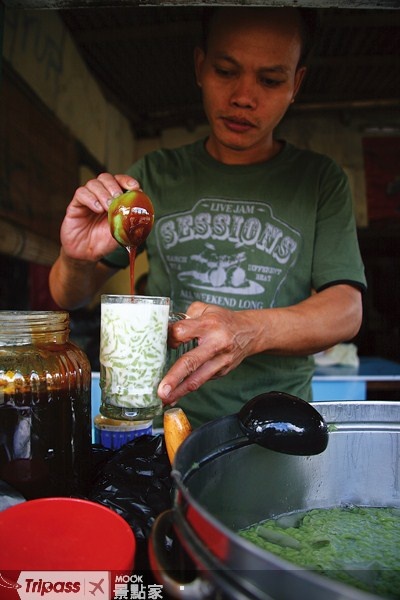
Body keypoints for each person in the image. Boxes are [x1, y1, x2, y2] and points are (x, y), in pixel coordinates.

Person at [49, 7, 366, 428]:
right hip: (167, 421)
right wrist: (76, 258)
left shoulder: (319, 180)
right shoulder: (153, 177)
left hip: (275, 423)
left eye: (270, 80)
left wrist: (248, 330)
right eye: (225, 70)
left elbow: (346, 309)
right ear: (200, 66)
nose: (243, 97)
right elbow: (66, 297)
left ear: (297, 84)